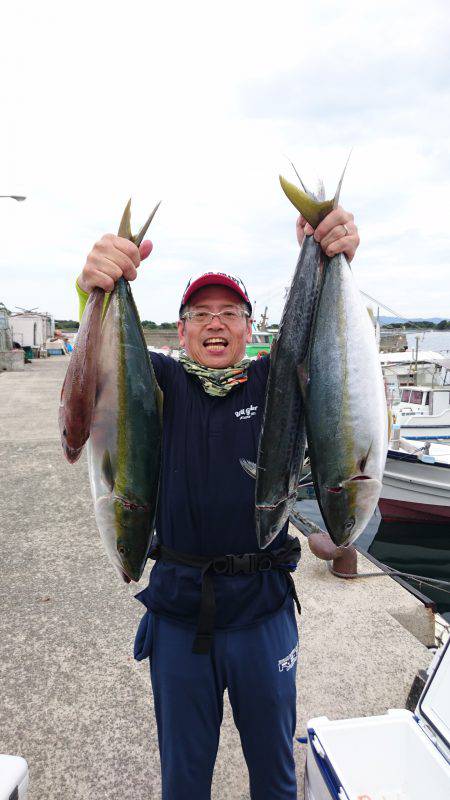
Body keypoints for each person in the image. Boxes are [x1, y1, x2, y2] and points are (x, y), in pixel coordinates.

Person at [76, 206, 359, 800]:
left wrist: (329, 259)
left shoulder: (273, 383)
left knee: (277, 779)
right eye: (200, 314)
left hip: (263, 613)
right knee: (183, 782)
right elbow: (93, 380)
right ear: (179, 332)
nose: (215, 323)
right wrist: (93, 292)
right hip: (179, 617)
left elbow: (323, 356)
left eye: (229, 313)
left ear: (248, 328)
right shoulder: (156, 384)